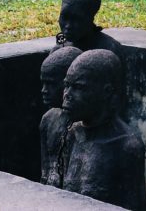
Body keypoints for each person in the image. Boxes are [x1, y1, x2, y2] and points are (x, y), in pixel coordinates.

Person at [60, 49, 146, 210]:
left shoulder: (126, 147)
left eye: (78, 87)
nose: (67, 95)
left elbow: (134, 206)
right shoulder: (73, 134)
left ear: (106, 92)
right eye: (66, 85)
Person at [39, 45, 81, 186]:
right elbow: (45, 169)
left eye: (50, 84)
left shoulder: (86, 126)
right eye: (43, 83)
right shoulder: (48, 120)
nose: (44, 90)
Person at [56, 0, 124, 63]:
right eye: (64, 17)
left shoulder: (110, 50)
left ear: (90, 19)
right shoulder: (61, 45)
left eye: (76, 19)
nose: (68, 26)